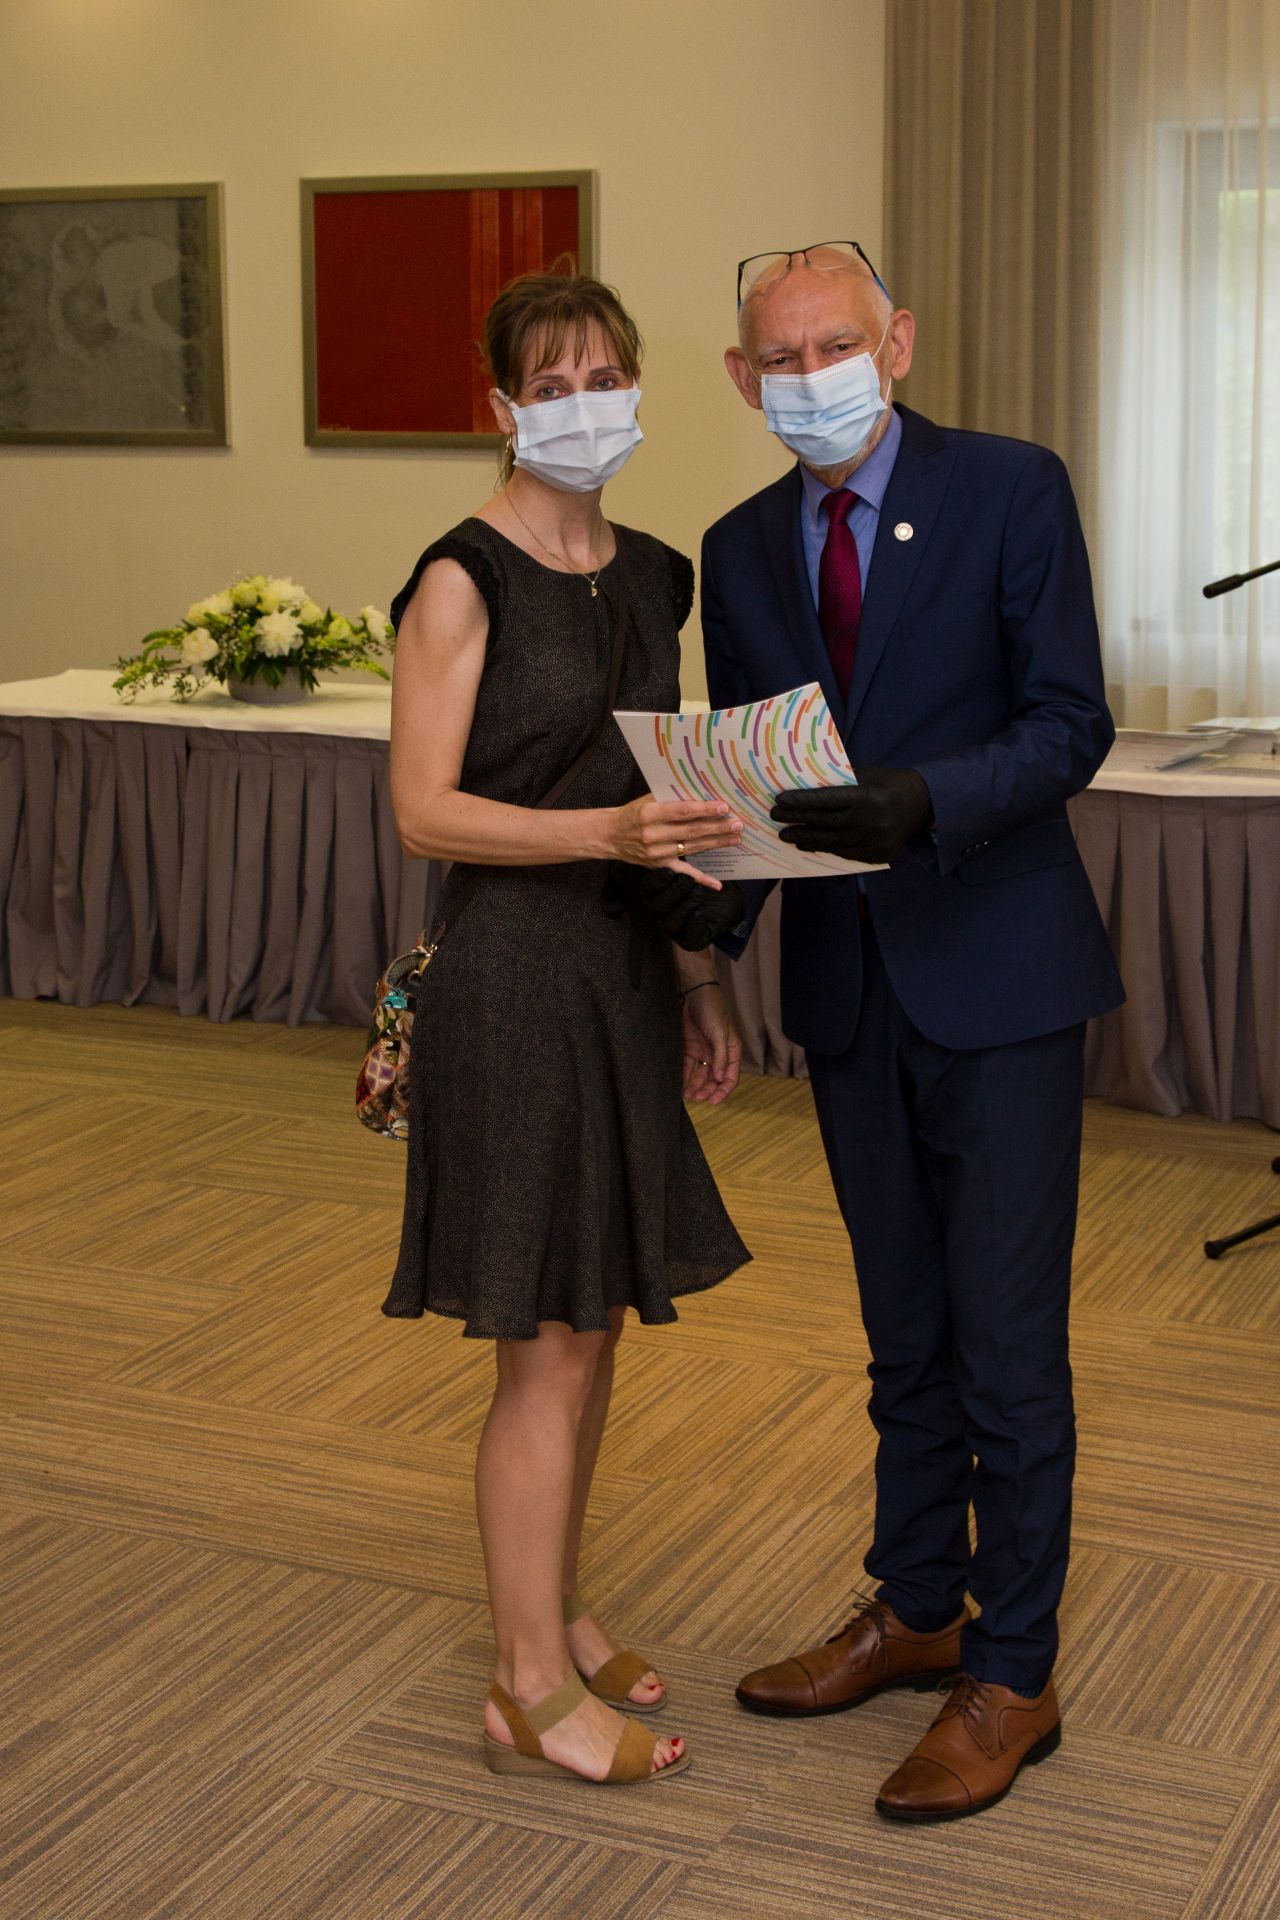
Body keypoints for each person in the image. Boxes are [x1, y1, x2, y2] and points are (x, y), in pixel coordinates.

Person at [703, 241, 1124, 1821]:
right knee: (903, 1337)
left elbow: (1070, 721)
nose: (812, 374)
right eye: (782, 356)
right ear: (743, 379)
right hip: (848, 989)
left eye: (838, 344)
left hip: (1002, 978)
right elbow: (757, 784)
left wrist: (926, 801)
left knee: (1007, 1349)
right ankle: (920, 1605)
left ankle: (1014, 1671)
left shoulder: (1013, 488)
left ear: (898, 343)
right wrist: (702, 947)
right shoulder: (740, 548)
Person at [385, 267, 751, 1788]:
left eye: (605, 377)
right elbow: (424, 811)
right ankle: (527, 1683)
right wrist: (603, 837)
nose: (583, 406)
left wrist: (700, 982)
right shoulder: (460, 576)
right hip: (515, 981)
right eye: (551, 386)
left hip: (621, 974)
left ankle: (557, 1605)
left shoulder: (657, 574)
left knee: (593, 1324)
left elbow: (664, 792)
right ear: (503, 408)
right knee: (545, 1344)